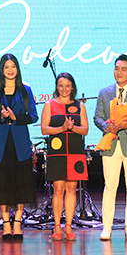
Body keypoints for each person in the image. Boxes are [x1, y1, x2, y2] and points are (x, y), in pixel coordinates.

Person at [94, 54, 127, 242]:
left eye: (124, 69)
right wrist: (105, 126)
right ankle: (107, 227)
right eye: (117, 68)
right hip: (110, 144)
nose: (119, 72)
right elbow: (97, 117)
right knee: (110, 187)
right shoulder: (104, 92)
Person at [0, 53, 38, 241]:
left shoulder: (25, 90)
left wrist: (16, 118)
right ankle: (6, 224)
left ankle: (18, 223)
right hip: (1, 142)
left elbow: (34, 116)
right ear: (1, 69)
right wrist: (1, 116)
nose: (10, 70)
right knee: (3, 185)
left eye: (13, 66)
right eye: (6, 66)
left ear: (17, 68)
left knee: (21, 183)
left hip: (20, 142)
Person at [40, 72, 89, 241]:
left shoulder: (79, 106)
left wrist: (71, 128)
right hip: (57, 152)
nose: (64, 89)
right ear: (57, 87)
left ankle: (68, 226)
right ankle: (57, 226)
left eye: (67, 86)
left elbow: (85, 129)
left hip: (75, 150)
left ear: (72, 87)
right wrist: (62, 128)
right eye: (61, 86)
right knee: (58, 189)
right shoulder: (50, 105)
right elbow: (44, 129)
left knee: (71, 188)